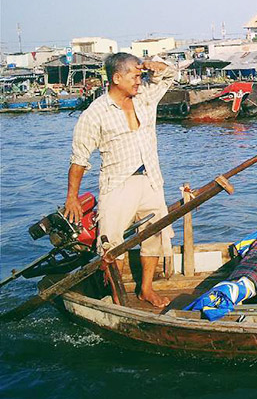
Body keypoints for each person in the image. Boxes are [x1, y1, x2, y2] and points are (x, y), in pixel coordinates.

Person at [64, 53, 176, 308]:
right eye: (134, 76)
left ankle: (146, 289)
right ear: (117, 78)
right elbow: (79, 158)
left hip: (150, 178)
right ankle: (117, 297)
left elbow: (171, 75)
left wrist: (156, 66)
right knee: (112, 244)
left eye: (140, 76)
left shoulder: (145, 96)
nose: (139, 80)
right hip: (117, 184)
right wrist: (72, 197)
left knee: (154, 235)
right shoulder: (95, 113)